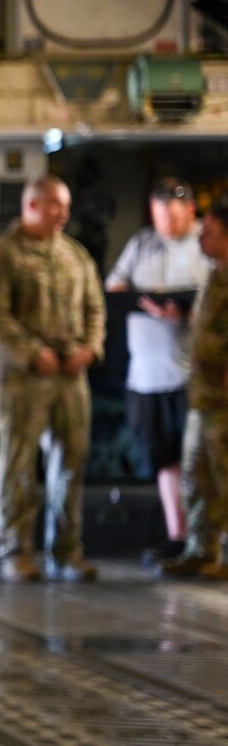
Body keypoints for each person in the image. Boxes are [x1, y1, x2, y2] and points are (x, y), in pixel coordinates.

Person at [0, 175, 106, 583]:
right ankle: (16, 548)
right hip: (23, 378)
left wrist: (90, 348)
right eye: (54, 205)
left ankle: (67, 550)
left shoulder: (75, 255)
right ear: (31, 206)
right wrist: (33, 353)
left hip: (70, 377)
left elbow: (95, 308)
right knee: (20, 462)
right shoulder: (3, 255)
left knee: (72, 459)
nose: (63, 214)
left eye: (65, 206)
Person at [107, 179, 209, 565]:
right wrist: (144, 304)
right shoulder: (143, 243)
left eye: (173, 213)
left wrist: (183, 312)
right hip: (145, 376)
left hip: (190, 375)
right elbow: (115, 286)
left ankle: (209, 539)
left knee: (200, 462)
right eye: (159, 213)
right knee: (162, 458)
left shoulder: (206, 247)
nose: (165, 221)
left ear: (191, 211)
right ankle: (178, 536)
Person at [172, 201, 228, 577]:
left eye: (208, 232)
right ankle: (201, 549)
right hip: (203, 394)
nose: (201, 239)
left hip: (224, 398)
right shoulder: (216, 277)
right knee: (196, 474)